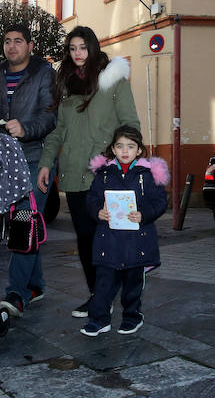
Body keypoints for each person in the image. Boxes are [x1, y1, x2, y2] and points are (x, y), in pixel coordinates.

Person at [38, 26, 140, 319]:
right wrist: (47, 162)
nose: (78, 53)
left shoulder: (113, 80)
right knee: (85, 237)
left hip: (106, 173)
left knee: (113, 236)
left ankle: (126, 299)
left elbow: (129, 122)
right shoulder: (66, 84)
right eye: (72, 48)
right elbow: (58, 131)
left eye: (83, 47)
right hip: (73, 172)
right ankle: (98, 296)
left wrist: (120, 160)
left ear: (93, 47)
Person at [0, 23, 55, 318]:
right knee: (26, 221)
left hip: (35, 157)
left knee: (23, 221)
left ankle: (16, 294)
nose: (12, 46)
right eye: (7, 41)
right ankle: (35, 284)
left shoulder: (43, 72)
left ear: (30, 46)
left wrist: (27, 128)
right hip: (4, 159)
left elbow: (50, 114)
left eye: (18, 41)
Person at [79, 126, 168, 337]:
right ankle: (99, 320)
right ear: (113, 149)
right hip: (108, 240)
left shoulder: (146, 175)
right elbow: (91, 199)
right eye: (120, 146)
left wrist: (144, 214)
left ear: (139, 150)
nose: (125, 151)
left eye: (130, 146)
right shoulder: (104, 174)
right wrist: (97, 211)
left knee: (132, 284)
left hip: (137, 241)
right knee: (103, 282)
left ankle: (132, 317)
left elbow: (160, 201)